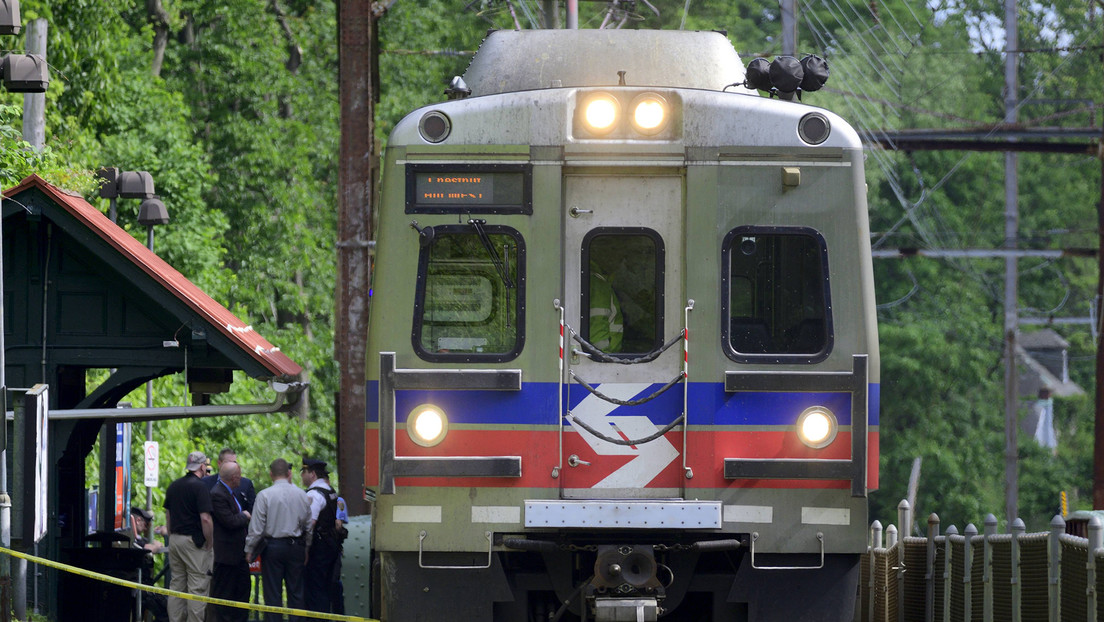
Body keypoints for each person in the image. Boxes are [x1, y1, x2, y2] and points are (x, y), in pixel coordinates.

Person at [245, 458, 312, 622]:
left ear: (271, 474)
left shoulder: (264, 495)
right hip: (296, 546)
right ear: (289, 473)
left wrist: (249, 549)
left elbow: (256, 528)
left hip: (272, 548)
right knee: (296, 593)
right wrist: (307, 548)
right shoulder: (301, 495)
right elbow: (308, 525)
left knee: (272, 593)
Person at [163, 451, 214, 622]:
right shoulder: (201, 487)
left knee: (176, 585)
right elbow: (205, 519)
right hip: (194, 543)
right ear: (202, 466)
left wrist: (171, 536)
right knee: (197, 588)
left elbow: (168, 515)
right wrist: (210, 541)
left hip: (175, 540)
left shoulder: (174, 486)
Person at [210, 461, 252, 622]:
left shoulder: (231, 493)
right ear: (234, 477)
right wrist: (245, 516)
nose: (241, 478)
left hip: (238, 556)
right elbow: (229, 521)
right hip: (226, 557)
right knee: (224, 598)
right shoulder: (218, 494)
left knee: (242, 594)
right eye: (239, 475)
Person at [300, 459, 341, 613]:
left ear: (312, 474)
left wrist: (306, 549)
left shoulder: (315, 494)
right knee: (325, 587)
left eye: (303, 472)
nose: (302, 476)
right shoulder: (330, 491)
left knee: (315, 589)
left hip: (318, 549)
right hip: (331, 545)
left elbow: (310, 524)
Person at [128, 506, 169, 622]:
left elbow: (151, 543)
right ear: (138, 521)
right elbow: (148, 547)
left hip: (144, 586)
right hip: (139, 588)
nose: (146, 529)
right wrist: (153, 546)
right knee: (166, 610)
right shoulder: (132, 539)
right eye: (146, 525)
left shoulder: (137, 537)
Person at [203, 447, 257, 512]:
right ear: (219, 463)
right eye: (228, 462)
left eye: (234, 462)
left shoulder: (246, 484)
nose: (232, 465)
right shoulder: (205, 482)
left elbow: (252, 509)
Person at [588, 260, 623, 352]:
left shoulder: (600, 281)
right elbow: (597, 323)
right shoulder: (598, 284)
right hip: (605, 355)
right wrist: (605, 357)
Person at [330, 496, 348, 614]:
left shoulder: (338, 501)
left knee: (334, 583)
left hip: (331, 549)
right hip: (331, 549)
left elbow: (338, 525)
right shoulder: (337, 500)